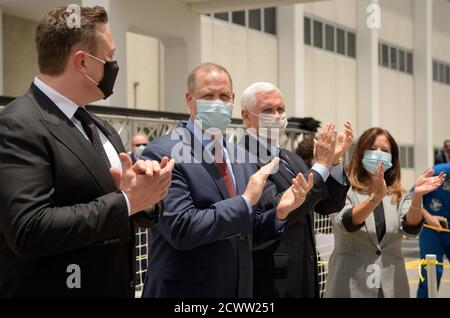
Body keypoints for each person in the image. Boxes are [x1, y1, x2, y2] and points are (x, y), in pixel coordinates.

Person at [0, 6, 174, 297]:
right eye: (110, 57)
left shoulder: (100, 127)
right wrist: (127, 201)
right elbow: (29, 229)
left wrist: (147, 196)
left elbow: (124, 210)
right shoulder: (18, 124)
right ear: (82, 62)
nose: (114, 66)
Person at [140, 63, 313, 298]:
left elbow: (247, 229)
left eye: (223, 96)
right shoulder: (165, 152)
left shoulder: (238, 156)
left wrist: (279, 213)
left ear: (232, 99)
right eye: (208, 96)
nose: (218, 103)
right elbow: (181, 228)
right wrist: (243, 202)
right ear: (190, 100)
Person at [240, 82, 351, 298]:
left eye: (281, 109)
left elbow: (329, 204)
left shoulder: (292, 157)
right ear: (246, 116)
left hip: (306, 274)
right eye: (267, 110)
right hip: (270, 280)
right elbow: (277, 207)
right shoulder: (242, 157)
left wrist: (334, 163)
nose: (277, 115)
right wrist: (321, 166)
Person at [325, 127, 445, 298]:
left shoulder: (397, 195)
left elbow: (411, 230)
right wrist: (374, 198)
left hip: (392, 288)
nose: (379, 154)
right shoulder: (344, 190)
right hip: (349, 287)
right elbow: (344, 223)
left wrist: (417, 196)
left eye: (385, 150)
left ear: (392, 158)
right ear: (360, 154)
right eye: (373, 149)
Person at [417, 163, 450, 298]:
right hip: (432, 231)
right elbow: (413, 196)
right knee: (431, 273)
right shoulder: (437, 172)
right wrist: (428, 217)